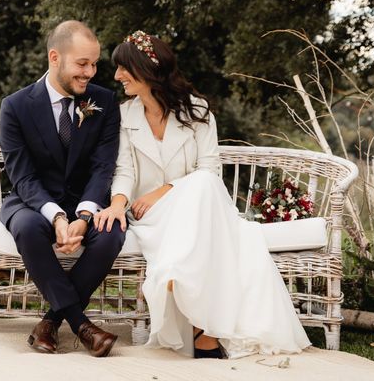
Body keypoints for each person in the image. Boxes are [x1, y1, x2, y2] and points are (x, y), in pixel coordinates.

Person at [95, 30, 311, 359]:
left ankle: (195, 310)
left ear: (146, 70)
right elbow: (123, 170)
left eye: (124, 67)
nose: (117, 76)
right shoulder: (124, 115)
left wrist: (165, 190)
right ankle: (202, 327)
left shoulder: (197, 111)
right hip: (152, 216)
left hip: (196, 207)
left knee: (203, 183)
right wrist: (117, 204)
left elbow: (210, 169)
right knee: (203, 189)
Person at [0, 20, 125, 358]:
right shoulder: (15, 107)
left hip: (87, 201)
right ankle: (83, 326)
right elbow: (22, 177)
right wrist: (56, 218)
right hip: (33, 201)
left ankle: (50, 322)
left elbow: (103, 167)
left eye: (95, 63)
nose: (91, 72)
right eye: (82, 63)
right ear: (55, 57)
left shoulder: (105, 102)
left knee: (111, 233)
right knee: (25, 227)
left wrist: (84, 216)